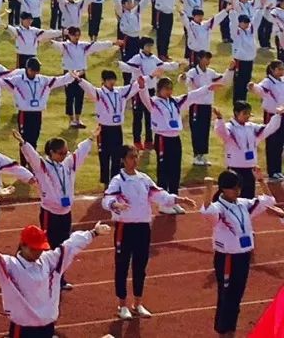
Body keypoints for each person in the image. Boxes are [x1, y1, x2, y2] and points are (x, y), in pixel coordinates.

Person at [0, 220, 111, 338]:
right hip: (23, 330)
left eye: (41, 248)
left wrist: (93, 233)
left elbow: (71, 245)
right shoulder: (10, 266)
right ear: (23, 245)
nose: (39, 252)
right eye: (35, 248)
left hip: (47, 328)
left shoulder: (50, 261)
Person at [101, 144, 196, 320]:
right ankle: (122, 305)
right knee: (122, 266)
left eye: (136, 156)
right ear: (123, 159)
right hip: (124, 227)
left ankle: (137, 303)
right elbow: (107, 199)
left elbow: (159, 195)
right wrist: (115, 204)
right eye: (131, 157)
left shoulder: (144, 178)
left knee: (140, 266)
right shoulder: (118, 181)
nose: (135, 160)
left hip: (143, 228)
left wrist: (179, 199)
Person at [201, 169, 284, 336]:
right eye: (234, 188)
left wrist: (261, 180)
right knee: (226, 295)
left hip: (243, 256)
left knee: (237, 295)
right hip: (227, 258)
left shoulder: (243, 204)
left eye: (239, 187)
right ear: (224, 189)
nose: (237, 191)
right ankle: (224, 330)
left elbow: (268, 200)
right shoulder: (219, 208)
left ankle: (229, 329)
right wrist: (208, 189)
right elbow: (207, 212)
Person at [16, 126, 95, 289]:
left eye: (65, 152)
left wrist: (90, 139)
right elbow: (32, 157)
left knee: (64, 246)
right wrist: (24, 143)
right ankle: (43, 277)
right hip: (49, 213)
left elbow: (79, 153)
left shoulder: (68, 165)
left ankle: (60, 278)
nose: (64, 155)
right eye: (60, 153)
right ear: (51, 152)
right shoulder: (43, 166)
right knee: (47, 247)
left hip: (66, 212)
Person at [213, 101, 284, 196]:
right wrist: (220, 119)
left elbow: (269, 129)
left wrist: (277, 116)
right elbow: (221, 132)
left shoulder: (252, 127)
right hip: (235, 170)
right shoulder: (230, 127)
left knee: (249, 197)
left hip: (250, 169)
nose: (247, 116)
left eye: (248, 113)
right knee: (234, 197)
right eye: (244, 113)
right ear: (236, 113)